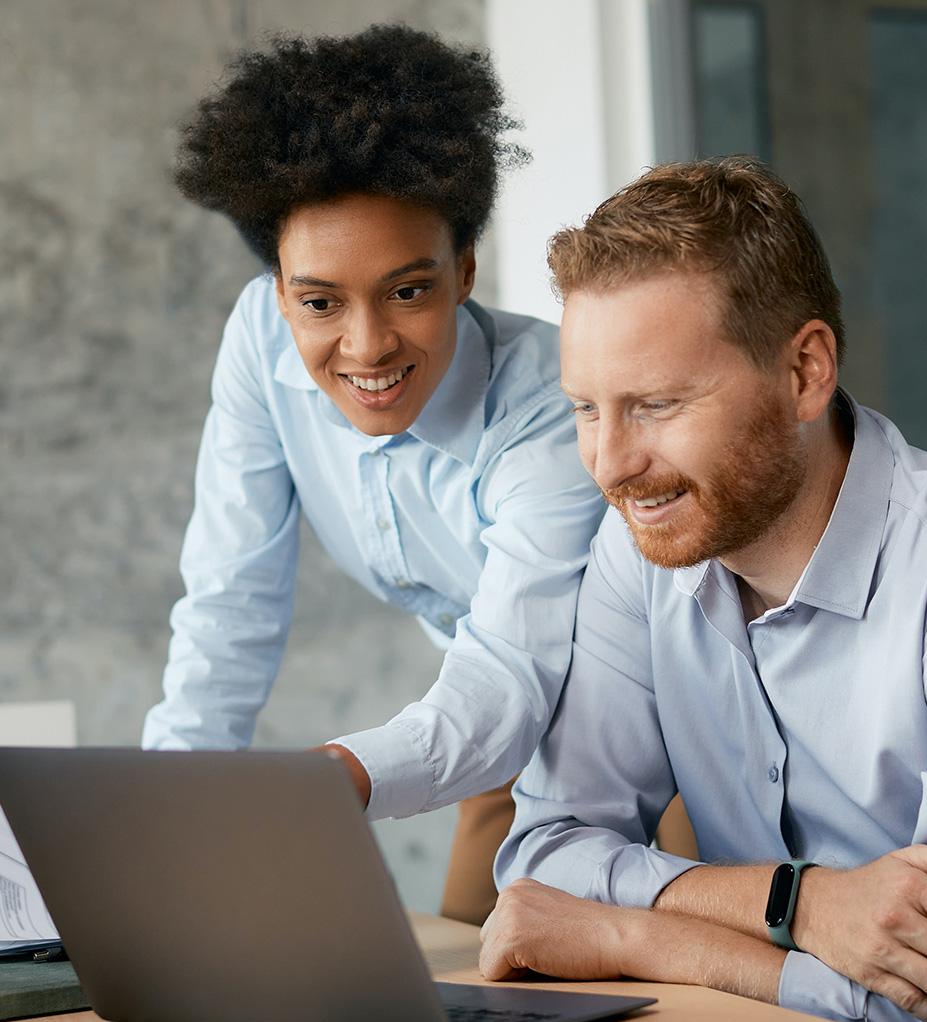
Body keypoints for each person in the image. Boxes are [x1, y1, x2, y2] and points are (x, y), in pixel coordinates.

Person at [481, 157, 927, 1022]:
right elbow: (546, 856)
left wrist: (634, 934)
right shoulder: (640, 545)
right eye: (586, 409)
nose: (611, 464)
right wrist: (798, 905)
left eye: (654, 405)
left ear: (805, 371)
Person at [141, 26, 606, 925]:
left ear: (464, 270)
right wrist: (161, 812)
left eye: (407, 290)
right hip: (484, 735)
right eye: (319, 301)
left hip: (649, 738)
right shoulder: (259, 341)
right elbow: (229, 601)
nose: (365, 346)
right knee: (477, 997)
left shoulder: (553, 406)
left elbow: (515, 671)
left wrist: (336, 779)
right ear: (279, 292)